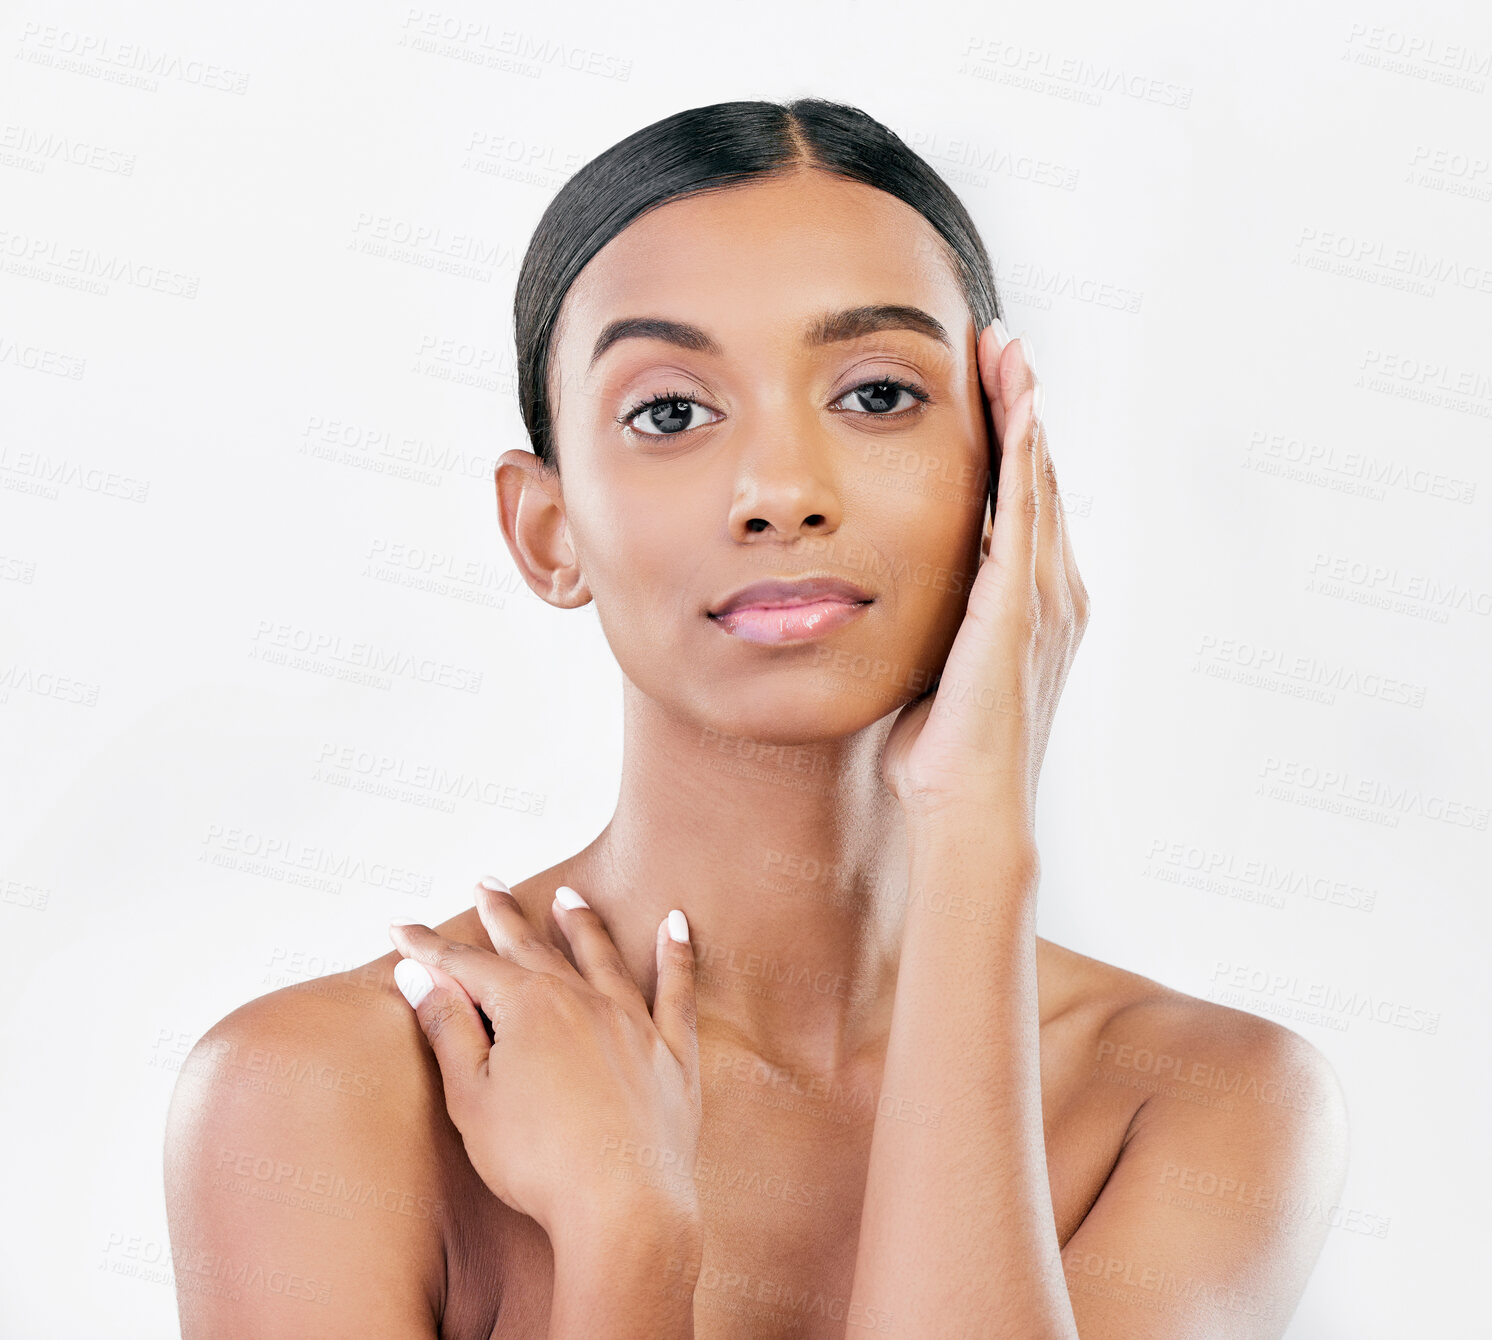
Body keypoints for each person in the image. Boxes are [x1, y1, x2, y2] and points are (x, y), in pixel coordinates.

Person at [164, 98, 1349, 1338]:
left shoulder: (1205, 1100)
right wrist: (633, 1233)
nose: (782, 490)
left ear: (1008, 473)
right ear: (546, 529)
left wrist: (978, 834)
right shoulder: (321, 1092)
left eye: (878, 394)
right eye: (670, 411)